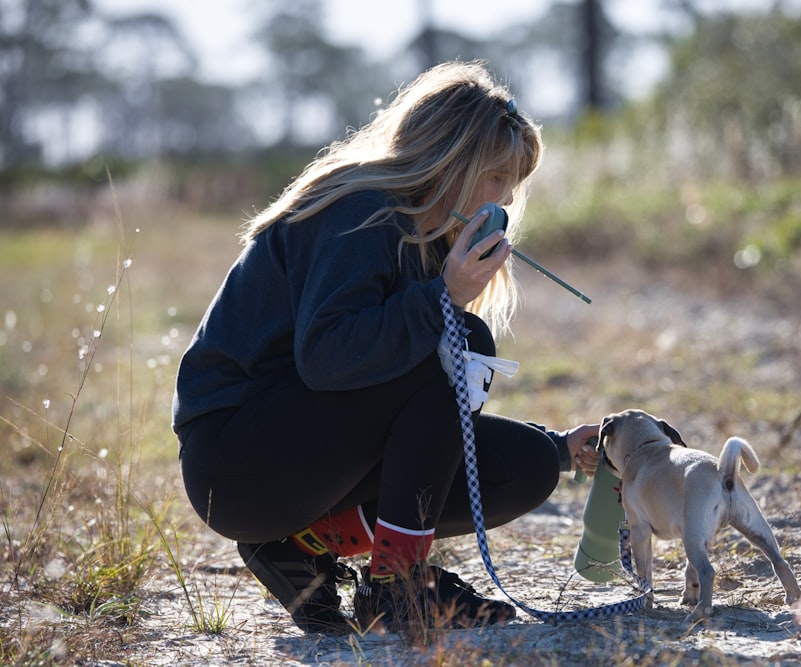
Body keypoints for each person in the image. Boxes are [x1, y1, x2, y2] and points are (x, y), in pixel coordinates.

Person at [171, 59, 600, 635]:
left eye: (514, 184)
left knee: (529, 465)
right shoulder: (361, 209)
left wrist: (561, 445)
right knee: (459, 338)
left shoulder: (421, 236)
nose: (504, 198)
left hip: (299, 460)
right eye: (498, 177)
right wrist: (442, 299)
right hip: (235, 463)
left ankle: (303, 547)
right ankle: (398, 587)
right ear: (452, 159)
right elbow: (327, 358)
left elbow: (415, 418)